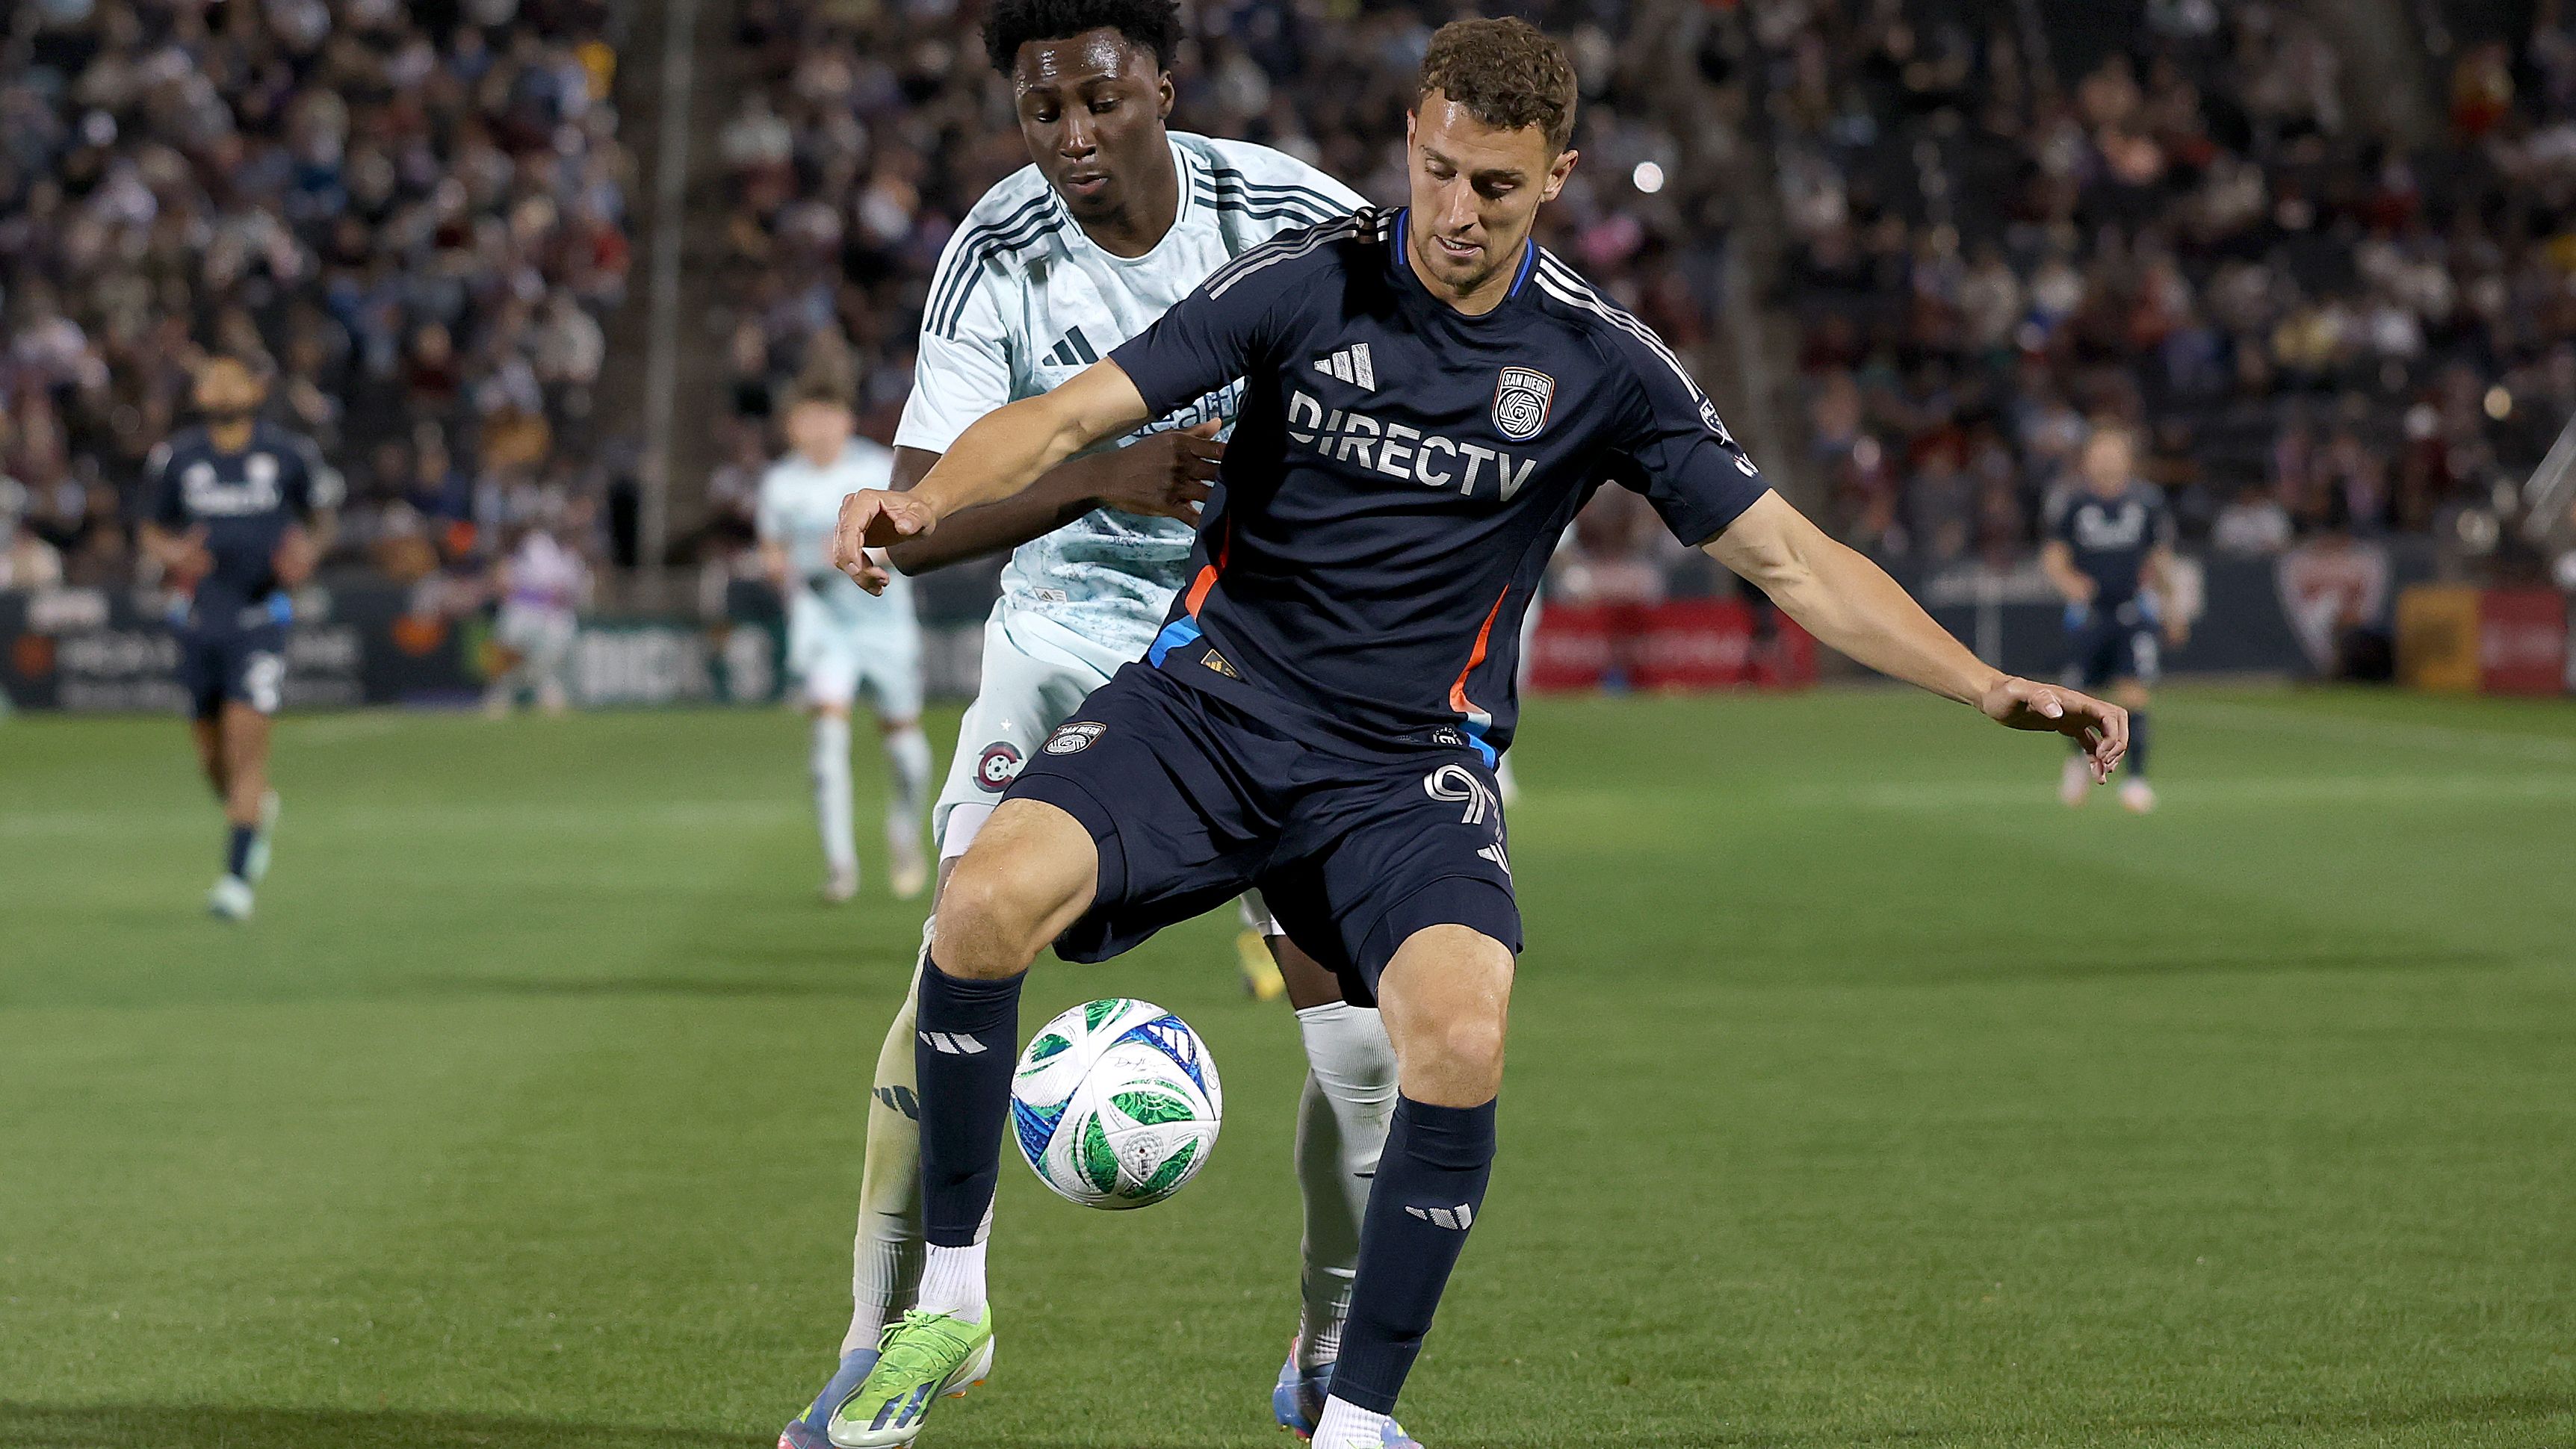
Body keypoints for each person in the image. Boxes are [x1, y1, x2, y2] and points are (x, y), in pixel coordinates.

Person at [822, 19, 2128, 1448]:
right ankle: (950, 1303)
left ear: (1556, 175)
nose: (1452, 213)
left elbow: (1794, 563)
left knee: (1454, 1037)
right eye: (1435, 171)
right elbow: (1075, 412)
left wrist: (1984, 685)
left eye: (1492, 189)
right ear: (1407, 143)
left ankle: (1354, 1418)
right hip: (1211, 709)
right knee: (978, 903)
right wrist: (923, 502)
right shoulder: (1305, 280)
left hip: (1404, 772)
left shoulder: (1601, 362)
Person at [773, 4, 1402, 1445]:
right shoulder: (995, 248)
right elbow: (918, 518)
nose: (1067, 139)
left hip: (1265, 655)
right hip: (1062, 639)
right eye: (1038, 110)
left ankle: (1323, 1350)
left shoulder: (1294, 220)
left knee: (1359, 1027)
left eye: (1098, 102)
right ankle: (900, 1337)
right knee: (952, 950)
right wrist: (1096, 479)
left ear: (1163, 92)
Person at [136, 356, 342, 921]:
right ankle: (255, 814)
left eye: (230, 376)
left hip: (260, 614)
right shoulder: (178, 457)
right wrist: (172, 553)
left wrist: (309, 552)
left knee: (246, 745)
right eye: (209, 377)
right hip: (199, 616)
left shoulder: (286, 454)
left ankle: (235, 881)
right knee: (211, 757)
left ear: (256, 389)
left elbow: (322, 517)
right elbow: (152, 528)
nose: (218, 385)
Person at [758, 380, 934, 904]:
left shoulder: (877, 469)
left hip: (884, 619)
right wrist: (805, 566)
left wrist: (861, 560)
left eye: (824, 416)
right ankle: (840, 866)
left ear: (844, 420)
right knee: (826, 743)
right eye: (804, 419)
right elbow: (772, 556)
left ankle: (904, 834)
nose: (815, 429)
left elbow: (911, 536)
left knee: (905, 748)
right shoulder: (781, 483)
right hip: (825, 624)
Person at [2040, 422, 2185, 812]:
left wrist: (2172, 608)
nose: (2106, 461)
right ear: (2088, 459)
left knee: (2134, 695)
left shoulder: (2147, 502)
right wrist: (2071, 584)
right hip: (2089, 614)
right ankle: (2078, 761)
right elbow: (2054, 555)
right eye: (2099, 453)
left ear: (2127, 459)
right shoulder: (2074, 503)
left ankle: (2136, 780)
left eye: (2114, 453)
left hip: (2132, 612)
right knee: (2078, 698)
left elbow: (2159, 558)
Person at [483, 518, 590, 717]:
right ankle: (500, 699)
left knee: (543, 663)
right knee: (509, 657)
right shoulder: (537, 544)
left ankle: (548, 695)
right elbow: (509, 580)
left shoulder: (572, 560)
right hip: (522, 611)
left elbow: (567, 594)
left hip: (549, 617)